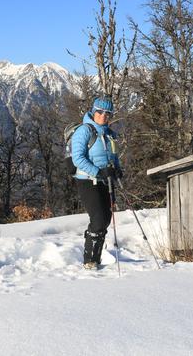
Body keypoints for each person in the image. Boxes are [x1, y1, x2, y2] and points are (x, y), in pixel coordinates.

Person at [71, 96, 123, 269]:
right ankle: (89, 260)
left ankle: (97, 258)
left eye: (108, 113)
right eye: (100, 111)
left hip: (105, 180)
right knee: (98, 219)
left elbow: (113, 156)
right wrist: (98, 172)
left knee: (106, 219)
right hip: (87, 181)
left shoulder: (110, 134)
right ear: (93, 111)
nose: (104, 115)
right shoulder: (84, 131)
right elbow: (77, 158)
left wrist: (117, 169)